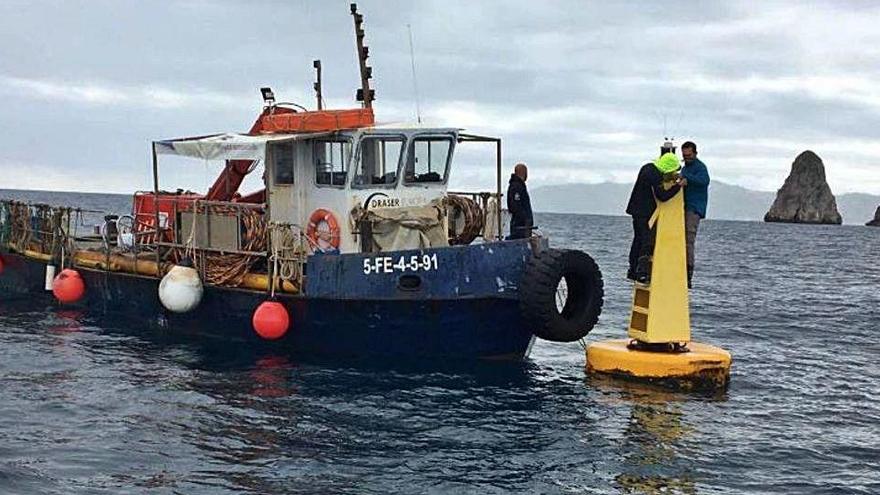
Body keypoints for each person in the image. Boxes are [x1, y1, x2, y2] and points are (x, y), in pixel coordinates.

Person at [626, 149, 682, 283]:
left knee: (637, 240)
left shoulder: (647, 168)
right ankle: (642, 272)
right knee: (647, 242)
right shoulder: (655, 175)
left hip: (635, 209)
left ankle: (633, 270)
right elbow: (662, 196)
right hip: (645, 212)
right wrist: (677, 187)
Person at [679, 141, 709, 288]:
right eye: (684, 156)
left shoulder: (700, 168)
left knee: (688, 240)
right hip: (684, 208)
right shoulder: (685, 168)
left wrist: (687, 179)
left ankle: (688, 273)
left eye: (689, 155)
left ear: (695, 153)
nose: (687, 158)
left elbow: (704, 181)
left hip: (694, 208)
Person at [506, 162, 534, 240]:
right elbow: (515, 205)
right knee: (517, 239)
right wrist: (524, 218)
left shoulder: (519, 186)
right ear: (524, 173)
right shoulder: (516, 186)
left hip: (523, 224)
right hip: (520, 224)